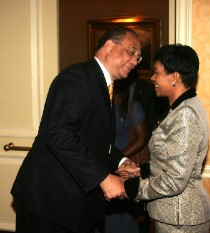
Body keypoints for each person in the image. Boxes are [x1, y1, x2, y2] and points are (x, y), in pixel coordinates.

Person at [10, 26, 142, 233]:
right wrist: (103, 177)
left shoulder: (102, 84)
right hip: (50, 201)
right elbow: (59, 134)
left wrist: (120, 161)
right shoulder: (78, 77)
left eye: (139, 58)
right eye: (132, 52)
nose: (135, 61)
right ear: (109, 46)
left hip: (72, 201)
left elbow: (90, 138)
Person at [120, 44, 210, 233]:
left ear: (175, 76)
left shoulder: (185, 114)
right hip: (176, 215)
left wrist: (130, 188)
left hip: (181, 219)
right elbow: (171, 161)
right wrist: (141, 170)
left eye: (157, 72)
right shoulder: (183, 107)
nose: (152, 78)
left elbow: (175, 180)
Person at [104, 78, 148, 233]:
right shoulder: (101, 106)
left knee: (123, 219)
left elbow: (142, 138)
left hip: (124, 167)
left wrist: (119, 159)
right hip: (103, 167)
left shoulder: (132, 106)